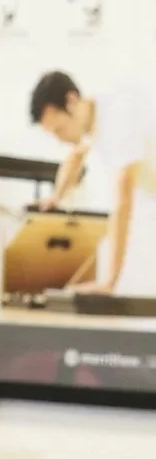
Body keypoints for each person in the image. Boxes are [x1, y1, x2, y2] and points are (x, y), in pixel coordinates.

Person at [30, 70, 156, 297]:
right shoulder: (91, 120)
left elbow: (123, 202)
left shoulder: (118, 116)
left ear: (71, 101)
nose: (60, 139)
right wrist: (56, 197)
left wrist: (109, 281)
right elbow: (75, 157)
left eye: (59, 129)